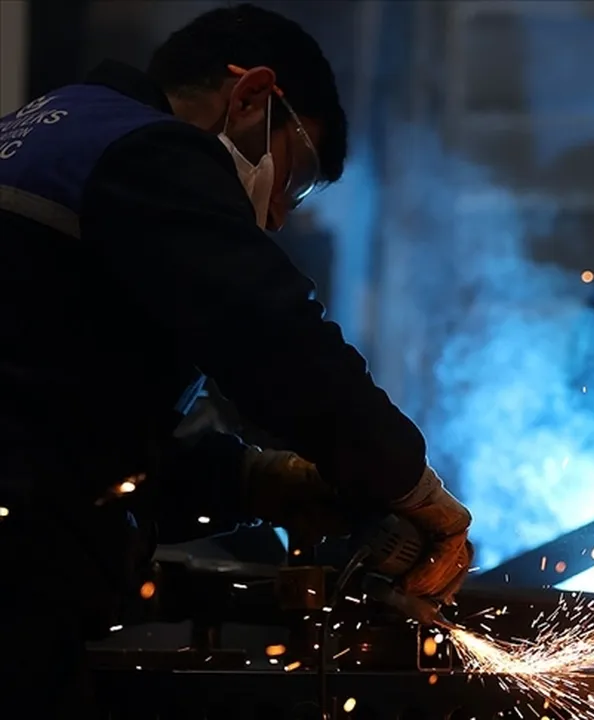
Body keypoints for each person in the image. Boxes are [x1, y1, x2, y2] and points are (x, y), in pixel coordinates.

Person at [0, 4, 471, 710]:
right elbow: (274, 338)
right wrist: (409, 484)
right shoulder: (147, 151)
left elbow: (82, 430)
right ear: (251, 95)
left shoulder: (51, 131)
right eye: (298, 174)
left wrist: (254, 480)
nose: (281, 214)